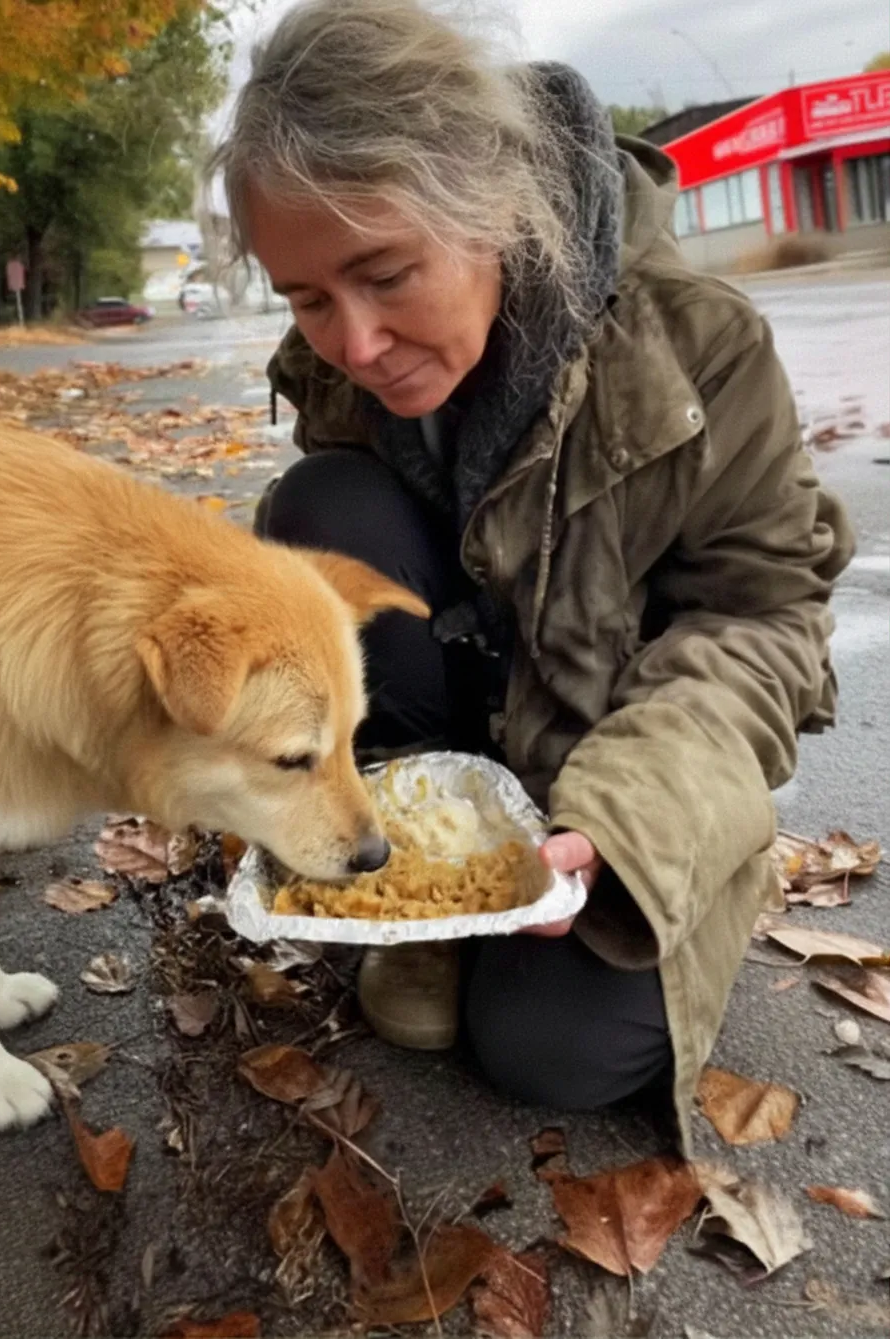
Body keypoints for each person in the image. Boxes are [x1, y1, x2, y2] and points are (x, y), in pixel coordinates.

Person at [208, 0, 854, 1150]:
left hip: (639, 754)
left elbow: (766, 621)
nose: (353, 344)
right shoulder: (342, 360)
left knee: (549, 1052)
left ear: (495, 209)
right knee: (320, 518)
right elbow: (369, 580)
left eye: (386, 275)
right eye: (307, 299)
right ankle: (420, 867)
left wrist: (631, 816)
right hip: (489, 706)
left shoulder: (698, 345)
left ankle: (675, 867)